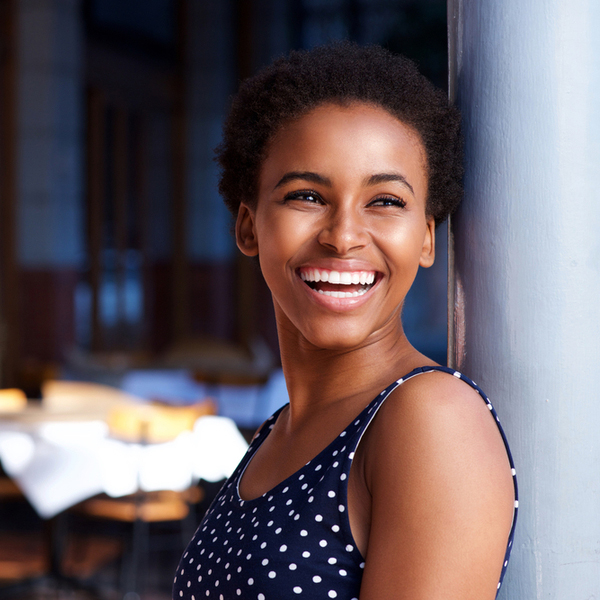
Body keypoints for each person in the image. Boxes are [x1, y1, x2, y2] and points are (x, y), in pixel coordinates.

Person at [173, 42, 517, 600]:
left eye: (385, 201)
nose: (343, 235)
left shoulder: (430, 418)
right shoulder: (277, 433)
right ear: (248, 227)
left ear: (427, 237)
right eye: (306, 195)